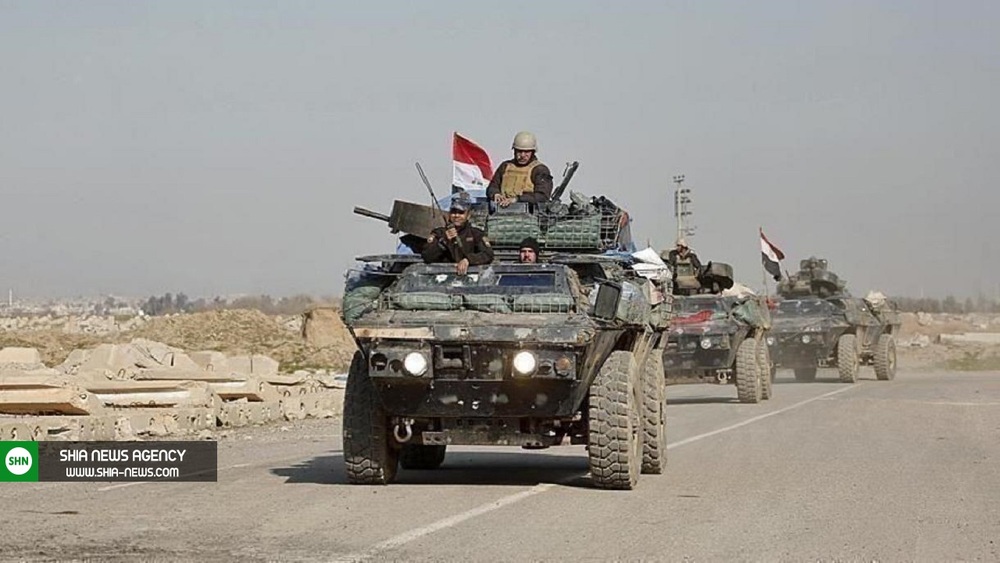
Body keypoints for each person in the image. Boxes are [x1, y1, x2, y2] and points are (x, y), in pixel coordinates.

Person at [421, 199, 494, 275]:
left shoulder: (476, 233)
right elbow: (427, 256)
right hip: (443, 275)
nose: (456, 215)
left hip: (469, 276)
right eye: (453, 212)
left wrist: (469, 260)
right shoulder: (439, 233)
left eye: (461, 213)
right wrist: (444, 241)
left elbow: (488, 254)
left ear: (468, 215)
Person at [486, 131, 554, 208]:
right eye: (519, 151)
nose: (522, 155)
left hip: (529, 212)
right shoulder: (505, 166)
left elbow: (542, 196)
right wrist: (495, 194)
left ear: (533, 152)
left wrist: (517, 199)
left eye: (526, 152)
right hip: (501, 210)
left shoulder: (540, 170)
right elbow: (493, 186)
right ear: (514, 151)